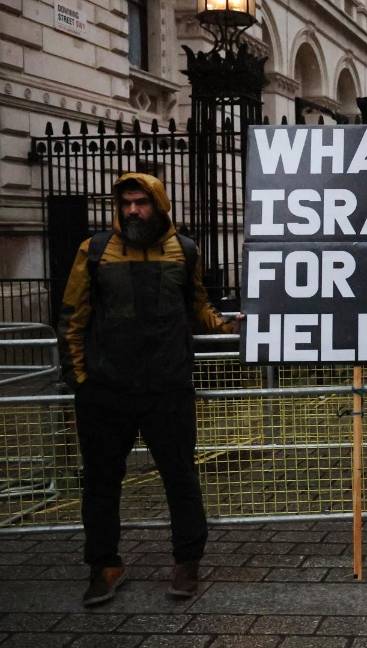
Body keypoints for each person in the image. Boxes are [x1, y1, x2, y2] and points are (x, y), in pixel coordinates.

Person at [58, 172, 237, 607]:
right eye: (126, 204)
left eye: (141, 202)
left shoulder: (185, 250)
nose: (132, 210)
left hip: (167, 389)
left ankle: (187, 562)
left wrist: (234, 326)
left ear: (159, 204)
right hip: (105, 391)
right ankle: (104, 566)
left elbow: (198, 307)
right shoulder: (94, 251)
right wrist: (81, 380)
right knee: (101, 483)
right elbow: (72, 318)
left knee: (180, 478)